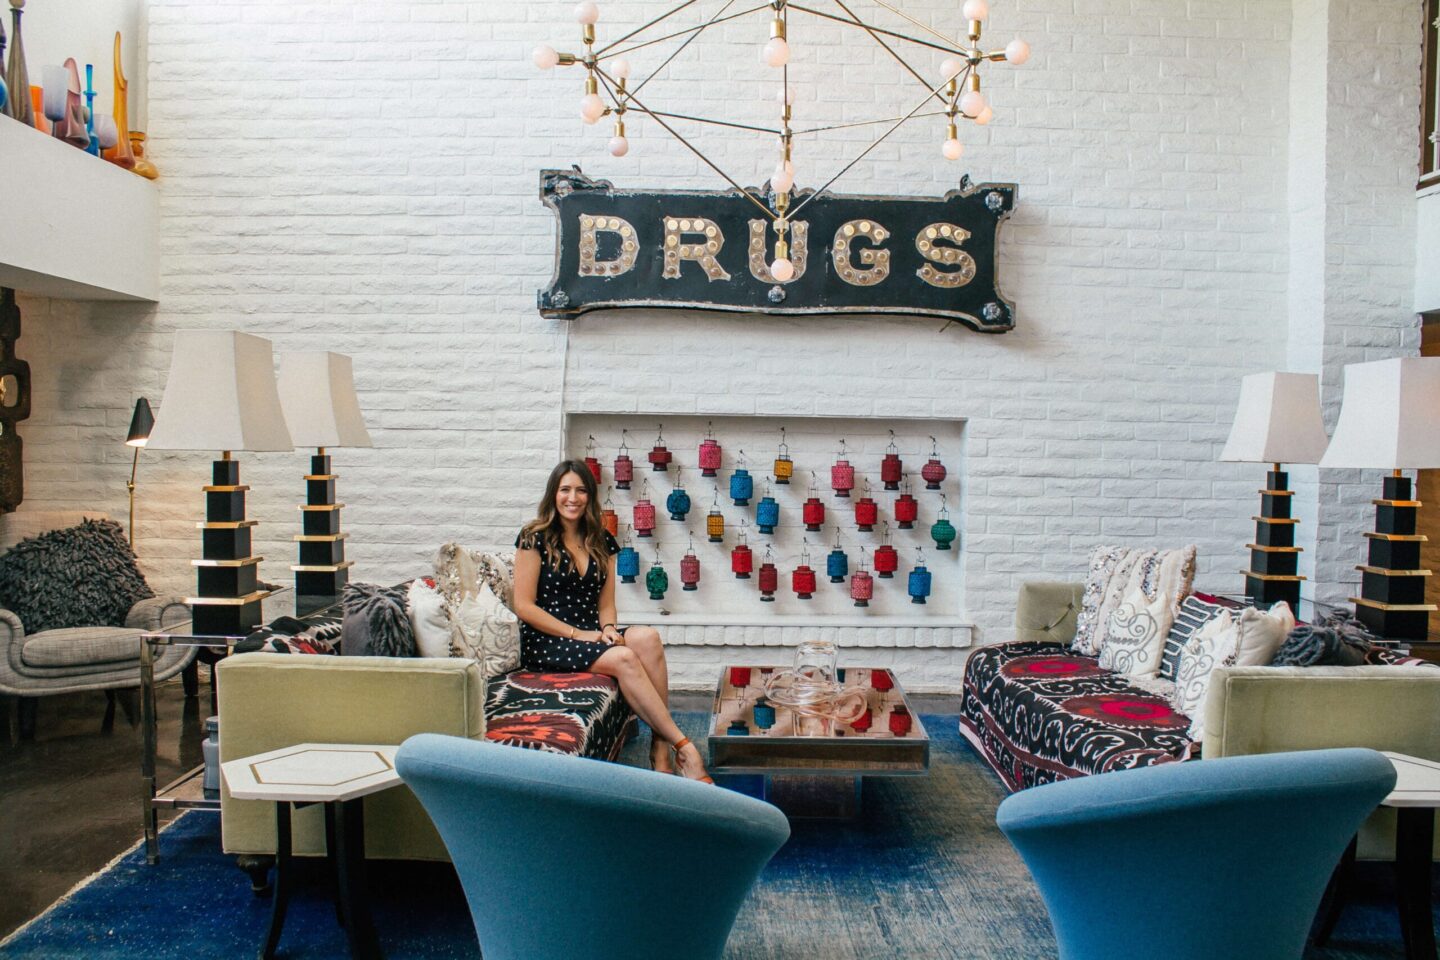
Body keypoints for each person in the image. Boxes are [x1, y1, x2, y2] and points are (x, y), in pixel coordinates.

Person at [513, 459, 712, 782]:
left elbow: (606, 605)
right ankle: (684, 747)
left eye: (580, 491)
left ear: (590, 496)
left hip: (590, 633)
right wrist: (579, 634)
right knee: (624, 657)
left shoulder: (600, 539)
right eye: (565, 490)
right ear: (553, 495)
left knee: (647, 638)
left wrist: (606, 629)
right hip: (547, 639)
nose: (572, 498)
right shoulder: (534, 536)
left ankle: (659, 749)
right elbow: (523, 606)